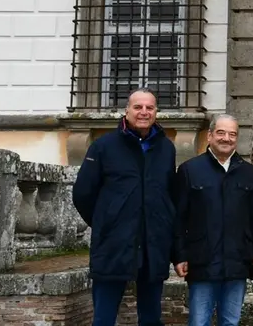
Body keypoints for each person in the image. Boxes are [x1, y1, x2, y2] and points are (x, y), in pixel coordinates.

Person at [72, 87, 178, 326]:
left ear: (156, 112)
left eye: (149, 108)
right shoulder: (104, 146)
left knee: (151, 318)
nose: (143, 112)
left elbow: (169, 193)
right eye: (138, 107)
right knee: (104, 318)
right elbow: (82, 193)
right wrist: (106, 221)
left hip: (153, 245)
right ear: (127, 110)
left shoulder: (166, 148)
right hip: (113, 244)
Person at [173, 113, 253, 326]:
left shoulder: (248, 172)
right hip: (201, 261)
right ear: (210, 136)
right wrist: (179, 255)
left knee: (231, 322)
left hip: (237, 261)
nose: (226, 138)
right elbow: (178, 219)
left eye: (232, 134)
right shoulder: (189, 170)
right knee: (199, 322)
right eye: (221, 133)